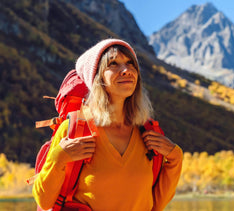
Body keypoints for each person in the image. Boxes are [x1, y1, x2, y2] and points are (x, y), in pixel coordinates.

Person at [32, 38, 183, 211]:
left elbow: (156, 205)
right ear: (97, 78)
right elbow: (44, 202)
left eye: (130, 63)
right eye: (113, 64)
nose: (126, 70)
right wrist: (58, 158)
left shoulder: (148, 134)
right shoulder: (75, 130)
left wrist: (175, 157)